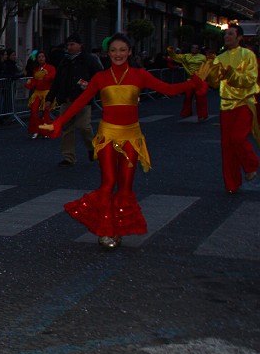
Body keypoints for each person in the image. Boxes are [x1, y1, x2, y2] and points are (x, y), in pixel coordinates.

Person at [41, 33, 208, 249]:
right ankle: (106, 230)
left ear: (129, 51)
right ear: (107, 53)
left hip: (131, 137)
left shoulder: (140, 75)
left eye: (122, 50)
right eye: (113, 50)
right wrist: (58, 122)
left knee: (126, 187)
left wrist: (193, 83)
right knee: (108, 183)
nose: (117, 54)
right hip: (107, 136)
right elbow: (80, 102)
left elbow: (169, 89)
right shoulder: (101, 77)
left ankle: (117, 230)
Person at [204, 24, 259, 194]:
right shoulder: (220, 57)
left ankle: (252, 165)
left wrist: (231, 75)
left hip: (244, 102)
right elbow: (214, 83)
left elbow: (250, 79)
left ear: (239, 37)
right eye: (225, 34)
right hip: (226, 105)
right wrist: (210, 68)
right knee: (227, 147)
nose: (227, 36)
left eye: (230, 33)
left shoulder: (248, 55)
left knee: (237, 138)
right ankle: (232, 184)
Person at [45, 34, 104, 166]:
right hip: (66, 98)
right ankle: (68, 157)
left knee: (84, 126)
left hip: (82, 99)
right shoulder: (65, 61)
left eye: (72, 44)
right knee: (66, 128)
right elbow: (57, 82)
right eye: (68, 45)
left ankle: (91, 147)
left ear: (80, 45)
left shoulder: (89, 60)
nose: (69, 47)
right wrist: (50, 98)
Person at [168, 44, 209, 122]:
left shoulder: (202, 57)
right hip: (190, 80)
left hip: (200, 80)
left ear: (198, 50)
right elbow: (175, 57)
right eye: (192, 47)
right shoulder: (186, 56)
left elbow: (208, 66)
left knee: (200, 99)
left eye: (196, 48)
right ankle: (186, 113)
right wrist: (170, 50)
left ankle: (202, 115)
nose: (194, 49)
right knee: (187, 97)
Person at [24, 50, 56, 138]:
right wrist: (30, 83)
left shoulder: (50, 68)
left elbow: (53, 76)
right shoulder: (36, 69)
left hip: (46, 93)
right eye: (39, 57)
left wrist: (47, 76)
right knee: (34, 111)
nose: (41, 58)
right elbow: (35, 81)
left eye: (42, 57)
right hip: (37, 93)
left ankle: (46, 132)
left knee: (46, 113)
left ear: (45, 58)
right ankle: (36, 130)